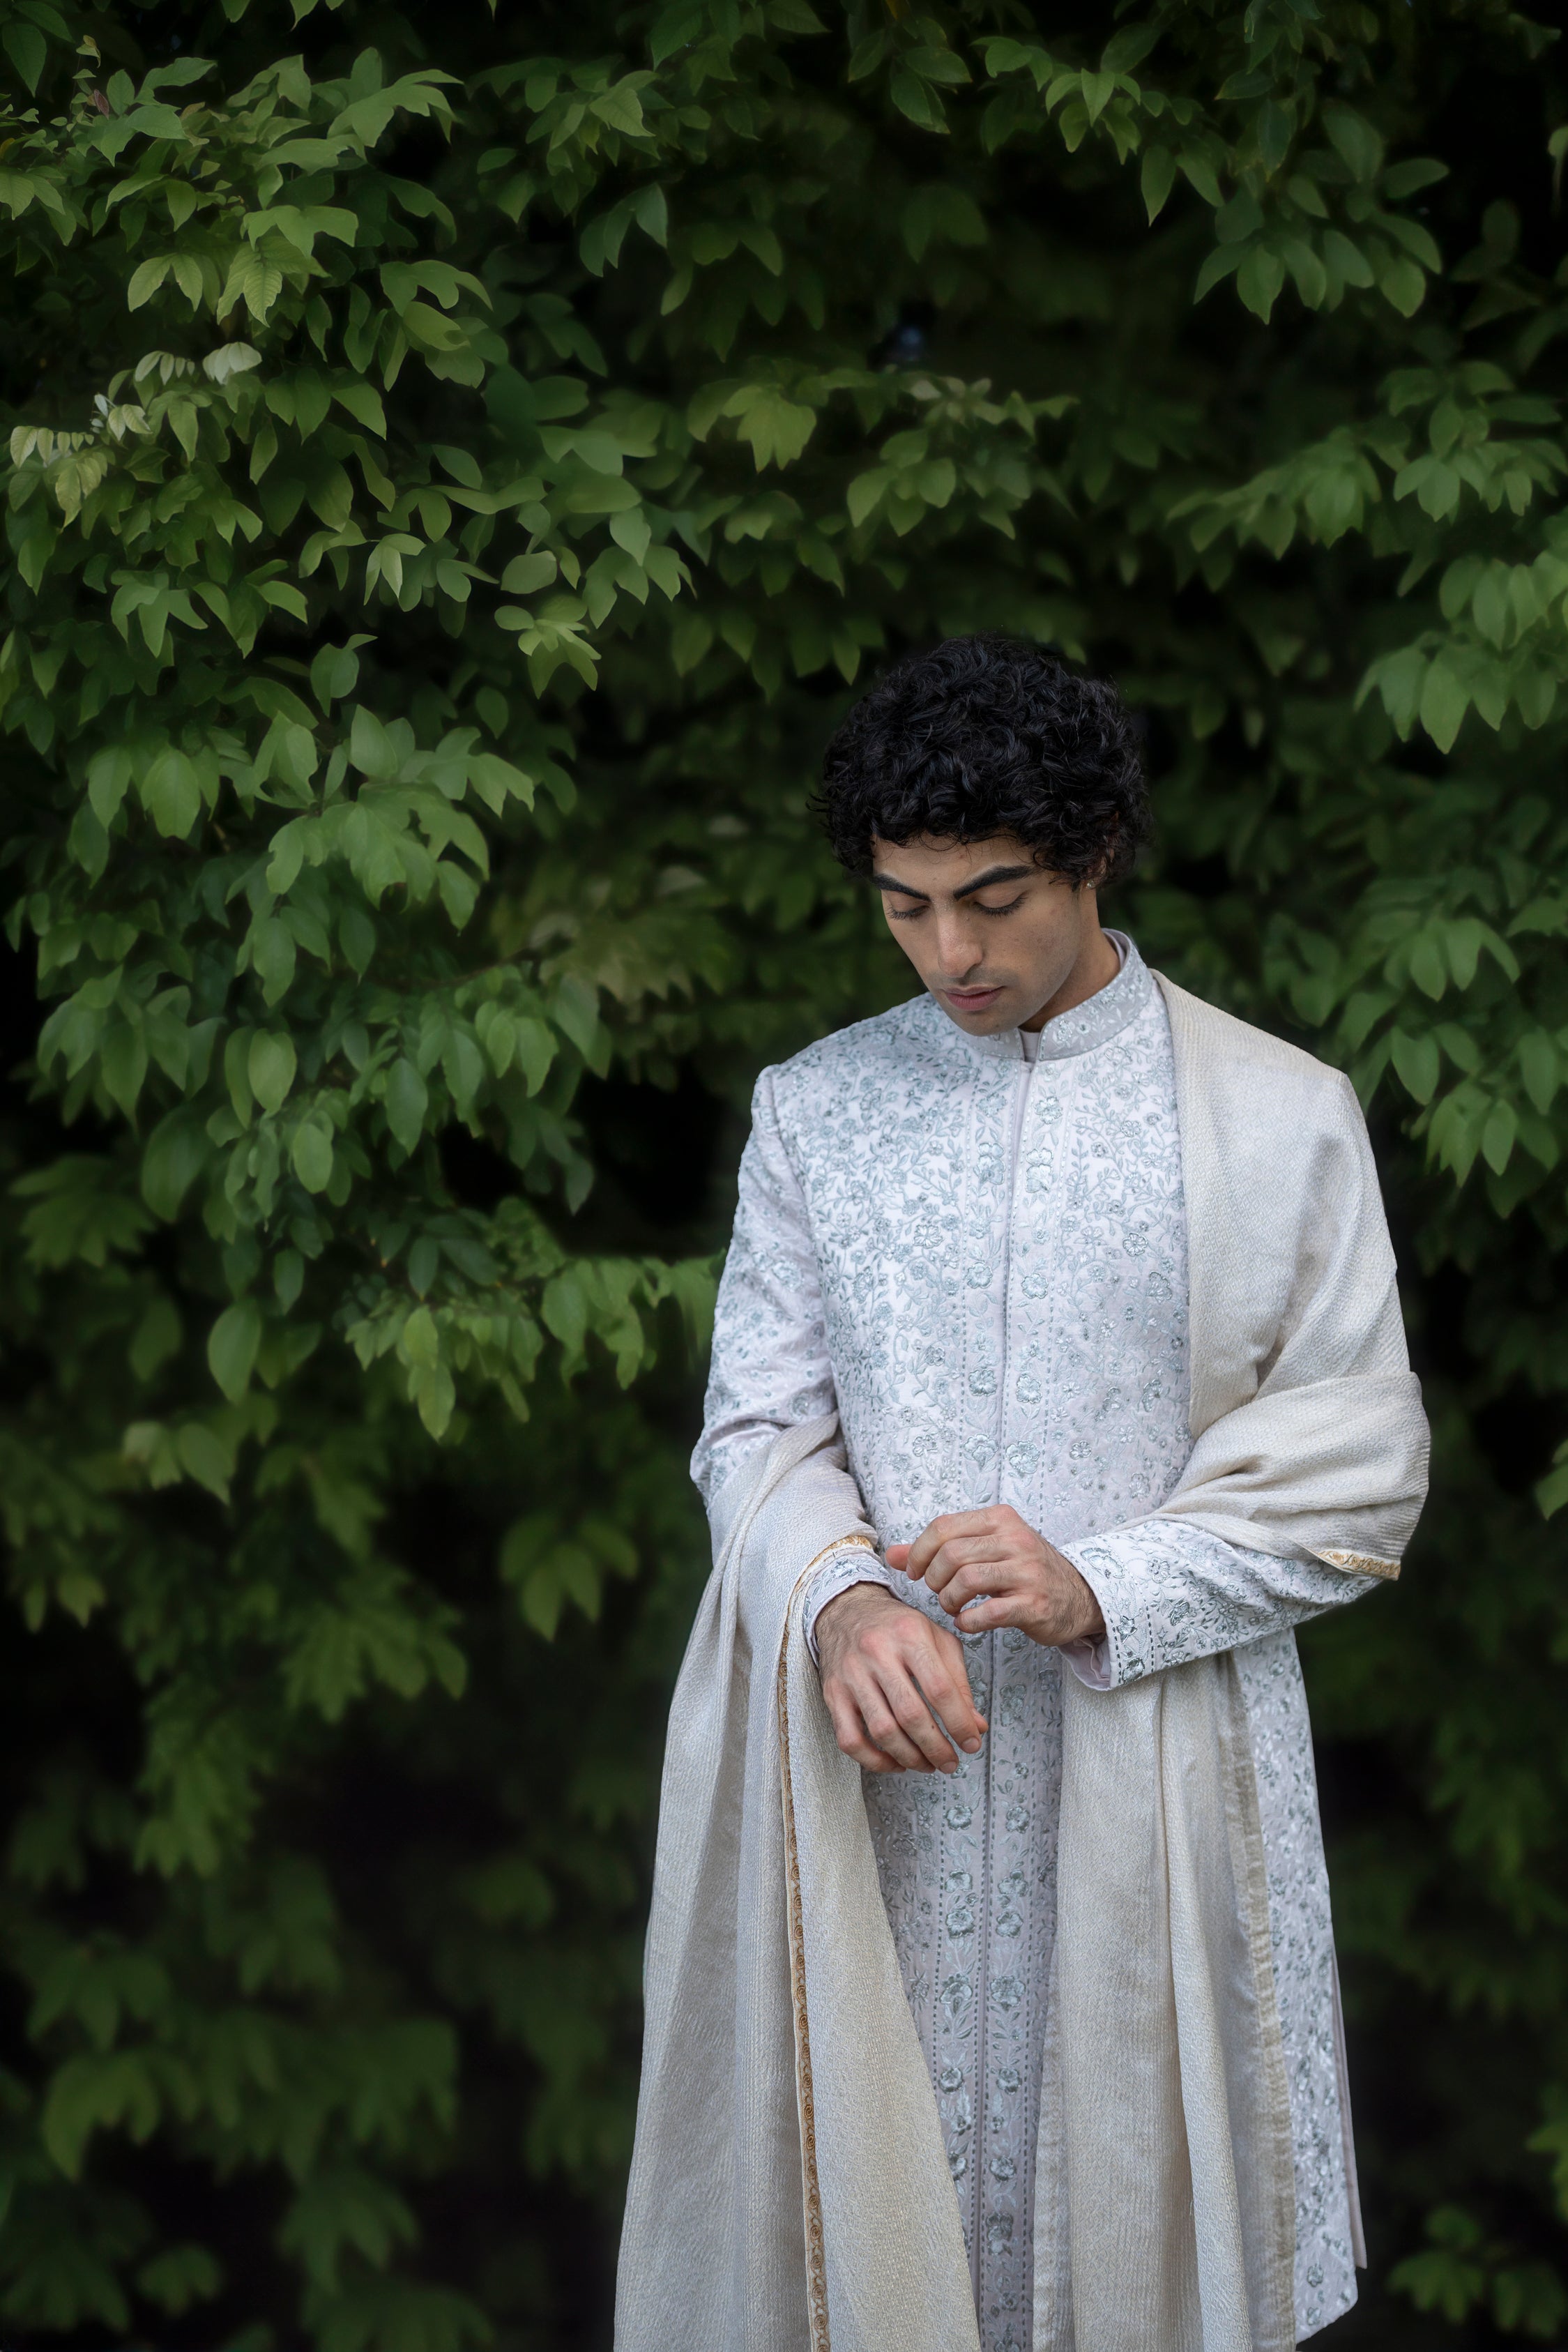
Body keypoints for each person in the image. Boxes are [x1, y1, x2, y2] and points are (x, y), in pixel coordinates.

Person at [616, 635, 1429, 2352]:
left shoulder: (1281, 1117)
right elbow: (751, 1423)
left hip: (1152, 1761)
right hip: (876, 1773)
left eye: (992, 897)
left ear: (1096, 854)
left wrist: (1098, 1584)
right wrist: (835, 1597)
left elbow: (1361, 1462)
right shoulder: (819, 1109)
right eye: (905, 906)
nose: (950, 952)